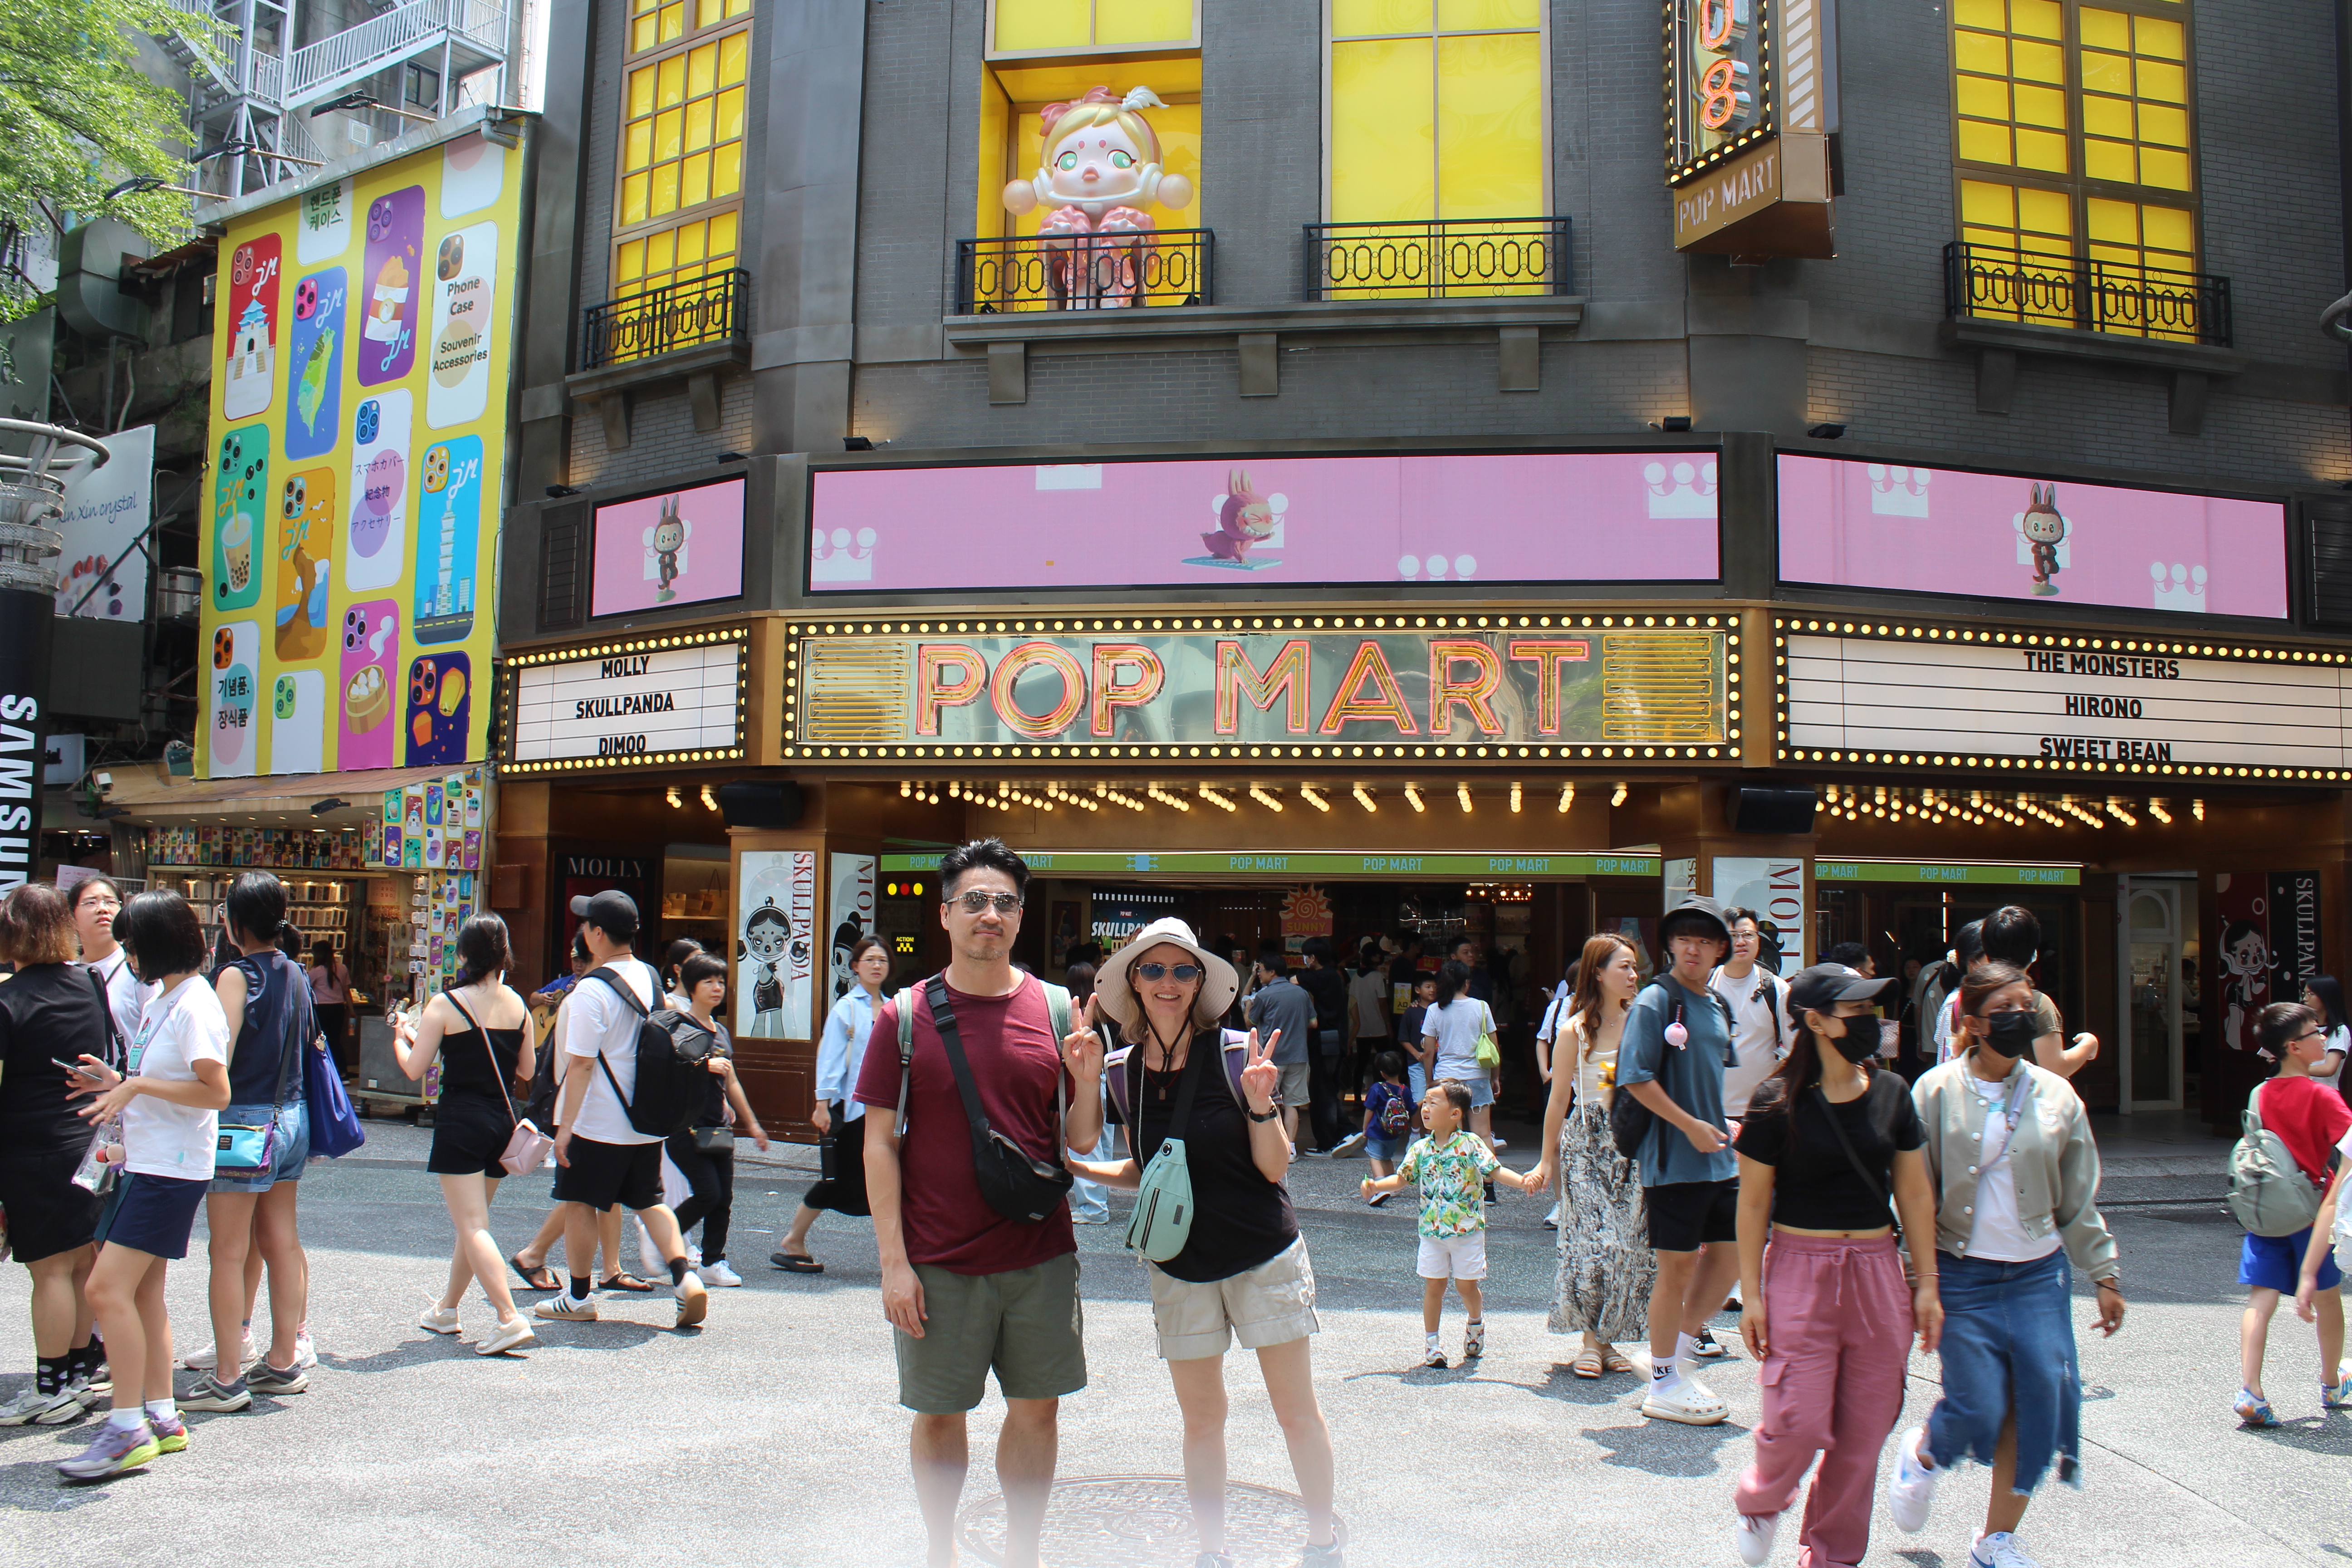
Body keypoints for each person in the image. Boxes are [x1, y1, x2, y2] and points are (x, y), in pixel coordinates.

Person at [854, 839, 1102, 1568]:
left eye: (1003, 902)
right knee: (939, 1414)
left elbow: (1077, 1142)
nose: (989, 914)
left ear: (1021, 918)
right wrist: (893, 1264)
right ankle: (941, 1552)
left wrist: (1086, 1080)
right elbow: (878, 1145)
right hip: (938, 1260)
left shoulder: (1056, 1009)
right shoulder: (902, 1018)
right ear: (946, 915)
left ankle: (1021, 1553)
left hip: (1040, 1254)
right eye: (975, 901)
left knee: (1038, 1408)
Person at [1072, 918, 1343, 1568]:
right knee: (1202, 1419)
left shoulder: (1233, 1054)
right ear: (1133, 981)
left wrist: (1260, 1104)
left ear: (1201, 983)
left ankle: (1323, 1541)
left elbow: (1274, 1168)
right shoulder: (1121, 1071)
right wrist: (1080, 1124)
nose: (1168, 984)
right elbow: (1140, 1166)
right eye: (1154, 970)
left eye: (1183, 971)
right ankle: (1211, 1550)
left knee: (1295, 1412)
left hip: (1261, 1253)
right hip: (1178, 1261)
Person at [1887, 960, 2126, 1568]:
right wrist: (1919, 1280)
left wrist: (2103, 1273)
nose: (2021, 1020)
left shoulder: (2056, 1095)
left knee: (2042, 1398)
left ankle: (1996, 1538)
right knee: (1979, 1403)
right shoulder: (1934, 1091)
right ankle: (1925, 1452)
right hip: (1962, 1272)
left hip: (2037, 1275)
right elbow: (1910, 1194)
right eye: (2005, 1012)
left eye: (2029, 1008)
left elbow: (2078, 1194)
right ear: (1971, 1022)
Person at [1730, 964, 1940, 1568]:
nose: (1872, 1022)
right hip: (1801, 1265)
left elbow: (1917, 1195)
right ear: (1815, 1021)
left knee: (1865, 1431)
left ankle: (1832, 1556)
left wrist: (1926, 1285)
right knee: (1797, 1418)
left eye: (1874, 1008)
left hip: (1877, 1269)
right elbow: (1751, 1204)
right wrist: (1752, 1292)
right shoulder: (1775, 1102)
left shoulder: (1893, 1095)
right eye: (1858, 1011)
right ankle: (1763, 1499)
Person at [57, 890, 231, 1479]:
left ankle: (127, 1426)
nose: (128, 953)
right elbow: (166, 1077)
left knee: (106, 1292)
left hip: (169, 1170)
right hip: (150, 1163)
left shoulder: (193, 1005)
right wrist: (117, 1081)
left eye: (134, 943)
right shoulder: (169, 999)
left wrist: (134, 1089)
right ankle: (158, 1414)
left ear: (154, 944)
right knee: (139, 1294)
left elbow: (216, 1093)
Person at [533, 890, 709, 1329]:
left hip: (599, 1121)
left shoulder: (592, 990)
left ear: (596, 934)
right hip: (645, 1120)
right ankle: (685, 1279)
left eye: (585, 926)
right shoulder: (650, 977)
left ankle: (578, 1297)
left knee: (579, 1201)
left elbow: (582, 1065)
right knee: (649, 1201)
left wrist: (565, 1128)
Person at [183, 873, 316, 1412]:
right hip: (293, 1117)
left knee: (229, 1250)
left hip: (244, 1123)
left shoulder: (235, 977)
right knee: (281, 1240)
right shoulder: (297, 973)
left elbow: (223, 1054)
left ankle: (227, 1376)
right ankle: (284, 1360)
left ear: (234, 924)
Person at [387, 914, 539, 1355]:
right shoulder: (518, 1005)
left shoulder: (445, 1004)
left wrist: (401, 1037)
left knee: (472, 1226)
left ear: (464, 955)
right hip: (501, 1123)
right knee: (474, 1226)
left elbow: (416, 1066)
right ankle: (448, 1309)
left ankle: (509, 1318)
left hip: (461, 1123)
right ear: (504, 954)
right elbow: (527, 1071)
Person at [1616, 893, 1741, 1425]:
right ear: (1669, 945)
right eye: (1685, 938)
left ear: (1719, 951)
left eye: (1705, 940)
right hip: (1673, 1160)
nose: (1694, 948)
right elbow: (1636, 1078)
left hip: (1719, 1158)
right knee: (1677, 1269)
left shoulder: (1716, 1006)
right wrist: (1688, 1125)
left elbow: (1712, 1078)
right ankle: (1664, 1382)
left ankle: (1673, 1353)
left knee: (1732, 1257)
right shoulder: (1654, 1001)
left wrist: (1724, 1124)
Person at [0, 885, 112, 1425]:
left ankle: (51, 1388)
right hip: (85, 1143)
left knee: (48, 1273)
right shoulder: (89, 983)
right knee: (79, 1264)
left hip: (30, 1147)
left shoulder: (9, 1000)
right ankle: (74, 1376)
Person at [1527, 932, 1654, 1380]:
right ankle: (1590, 1341)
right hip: (1586, 1142)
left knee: (1628, 1245)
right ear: (1597, 973)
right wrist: (1545, 1160)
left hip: (1635, 1139)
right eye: (1625, 967)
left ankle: (1608, 1339)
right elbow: (1558, 1100)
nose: (1634, 976)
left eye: (1636, 967)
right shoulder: (1574, 1029)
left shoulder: (1644, 1021)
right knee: (1591, 1243)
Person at [2230, 1001, 2350, 1424]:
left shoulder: (2259, 1093)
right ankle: (2331, 1383)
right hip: (2310, 1211)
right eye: (2316, 1032)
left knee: (2260, 1299)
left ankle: (2252, 1390)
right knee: (2327, 1298)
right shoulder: (2323, 1095)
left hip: (2265, 1209)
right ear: (2294, 1046)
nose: (2323, 1037)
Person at [1364, 1078, 1539, 1367]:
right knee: (1435, 1287)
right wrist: (1377, 1186)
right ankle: (1432, 1344)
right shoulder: (1420, 1149)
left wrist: (1524, 1182)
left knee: (1467, 1288)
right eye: (1425, 1103)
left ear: (1456, 1113)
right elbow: (1401, 1179)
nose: (1425, 1108)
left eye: (1434, 1102)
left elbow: (1495, 1171)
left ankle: (1475, 1321)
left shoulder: (1470, 1144)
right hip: (1432, 1232)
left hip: (1467, 1231)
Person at [775, 935, 889, 1269]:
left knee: (893, 1178)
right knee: (838, 1178)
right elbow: (830, 1058)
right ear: (855, 967)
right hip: (852, 1109)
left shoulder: (896, 1006)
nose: (876, 966)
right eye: (869, 960)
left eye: (882, 960)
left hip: (885, 1109)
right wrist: (822, 1104)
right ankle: (794, 1239)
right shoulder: (847, 1008)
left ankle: (905, 1253)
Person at [666, 951, 768, 1288]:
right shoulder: (678, 1027)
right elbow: (667, 1072)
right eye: (709, 981)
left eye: (721, 982)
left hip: (718, 1128)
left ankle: (712, 1262)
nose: (716, 988)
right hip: (686, 1127)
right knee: (708, 1194)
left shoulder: (720, 1030)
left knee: (723, 1198)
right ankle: (663, 1239)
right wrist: (703, 1066)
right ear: (693, 986)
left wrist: (752, 1125)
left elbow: (733, 1081)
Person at [1979, 905, 2098, 1077]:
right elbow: (2054, 1069)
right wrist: (2089, 1044)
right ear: (2034, 951)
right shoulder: (2036, 1004)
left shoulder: (1971, 998)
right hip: (2021, 1101)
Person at [1417, 960, 1497, 1165]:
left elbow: (1428, 1052)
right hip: (1478, 1076)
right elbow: (1494, 1047)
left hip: (1446, 1080)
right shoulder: (1481, 1007)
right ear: (1467, 983)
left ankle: (1455, 1181)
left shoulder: (1435, 1010)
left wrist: (1430, 1082)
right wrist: (1495, 1078)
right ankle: (1488, 1187)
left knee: (1450, 1134)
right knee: (1483, 1134)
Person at [1246, 950, 1315, 1160]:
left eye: (1261, 970)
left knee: (1269, 1102)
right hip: (1299, 1055)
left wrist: (1248, 1006)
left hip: (1271, 1058)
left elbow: (1250, 1023)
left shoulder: (1264, 996)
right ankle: (1291, 1148)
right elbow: (1314, 1022)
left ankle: (1272, 1147)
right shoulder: (1302, 993)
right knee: (1294, 1104)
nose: (1259, 974)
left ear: (1272, 972)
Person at [1297, 936, 1348, 1155]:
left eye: (1306, 957)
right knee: (1328, 1088)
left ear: (1313, 958)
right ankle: (1343, 1134)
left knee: (1322, 1091)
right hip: (1336, 1040)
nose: (1304, 961)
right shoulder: (1333, 976)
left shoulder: (1323, 977)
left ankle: (1332, 1140)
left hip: (1326, 1041)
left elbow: (1295, 980)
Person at [1360, 1051, 1411, 1206]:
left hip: (1377, 1131)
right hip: (1394, 1133)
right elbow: (1412, 1109)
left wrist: (1365, 1128)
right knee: (1387, 1158)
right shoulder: (1404, 1090)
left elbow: (1369, 1110)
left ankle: (1380, 1185)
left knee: (1375, 1157)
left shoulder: (1377, 1088)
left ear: (1382, 1072)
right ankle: (1392, 1185)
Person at [1348, 939, 1391, 1097]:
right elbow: (1383, 1003)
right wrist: (1388, 1025)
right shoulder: (1378, 977)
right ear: (1373, 958)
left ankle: (1358, 1099)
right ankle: (1380, 1096)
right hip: (1379, 1027)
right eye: (1380, 955)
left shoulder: (1356, 978)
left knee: (1361, 1064)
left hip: (1361, 1028)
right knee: (1383, 1064)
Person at [306, 940, 351, 1069]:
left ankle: (325, 1069)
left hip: (321, 1009)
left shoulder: (316, 971)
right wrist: (352, 1009)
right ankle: (342, 1071)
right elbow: (346, 991)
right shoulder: (342, 968)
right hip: (338, 1008)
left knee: (321, 1040)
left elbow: (307, 987)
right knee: (336, 1040)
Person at [2303, 976, 2348, 1098]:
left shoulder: (2340, 1031)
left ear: (2326, 997)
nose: (2305, 999)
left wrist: (2295, 1068)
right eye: (2304, 994)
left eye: (2310, 994)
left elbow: (2329, 1069)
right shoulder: (2305, 1028)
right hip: (2303, 1091)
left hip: (2324, 1095)